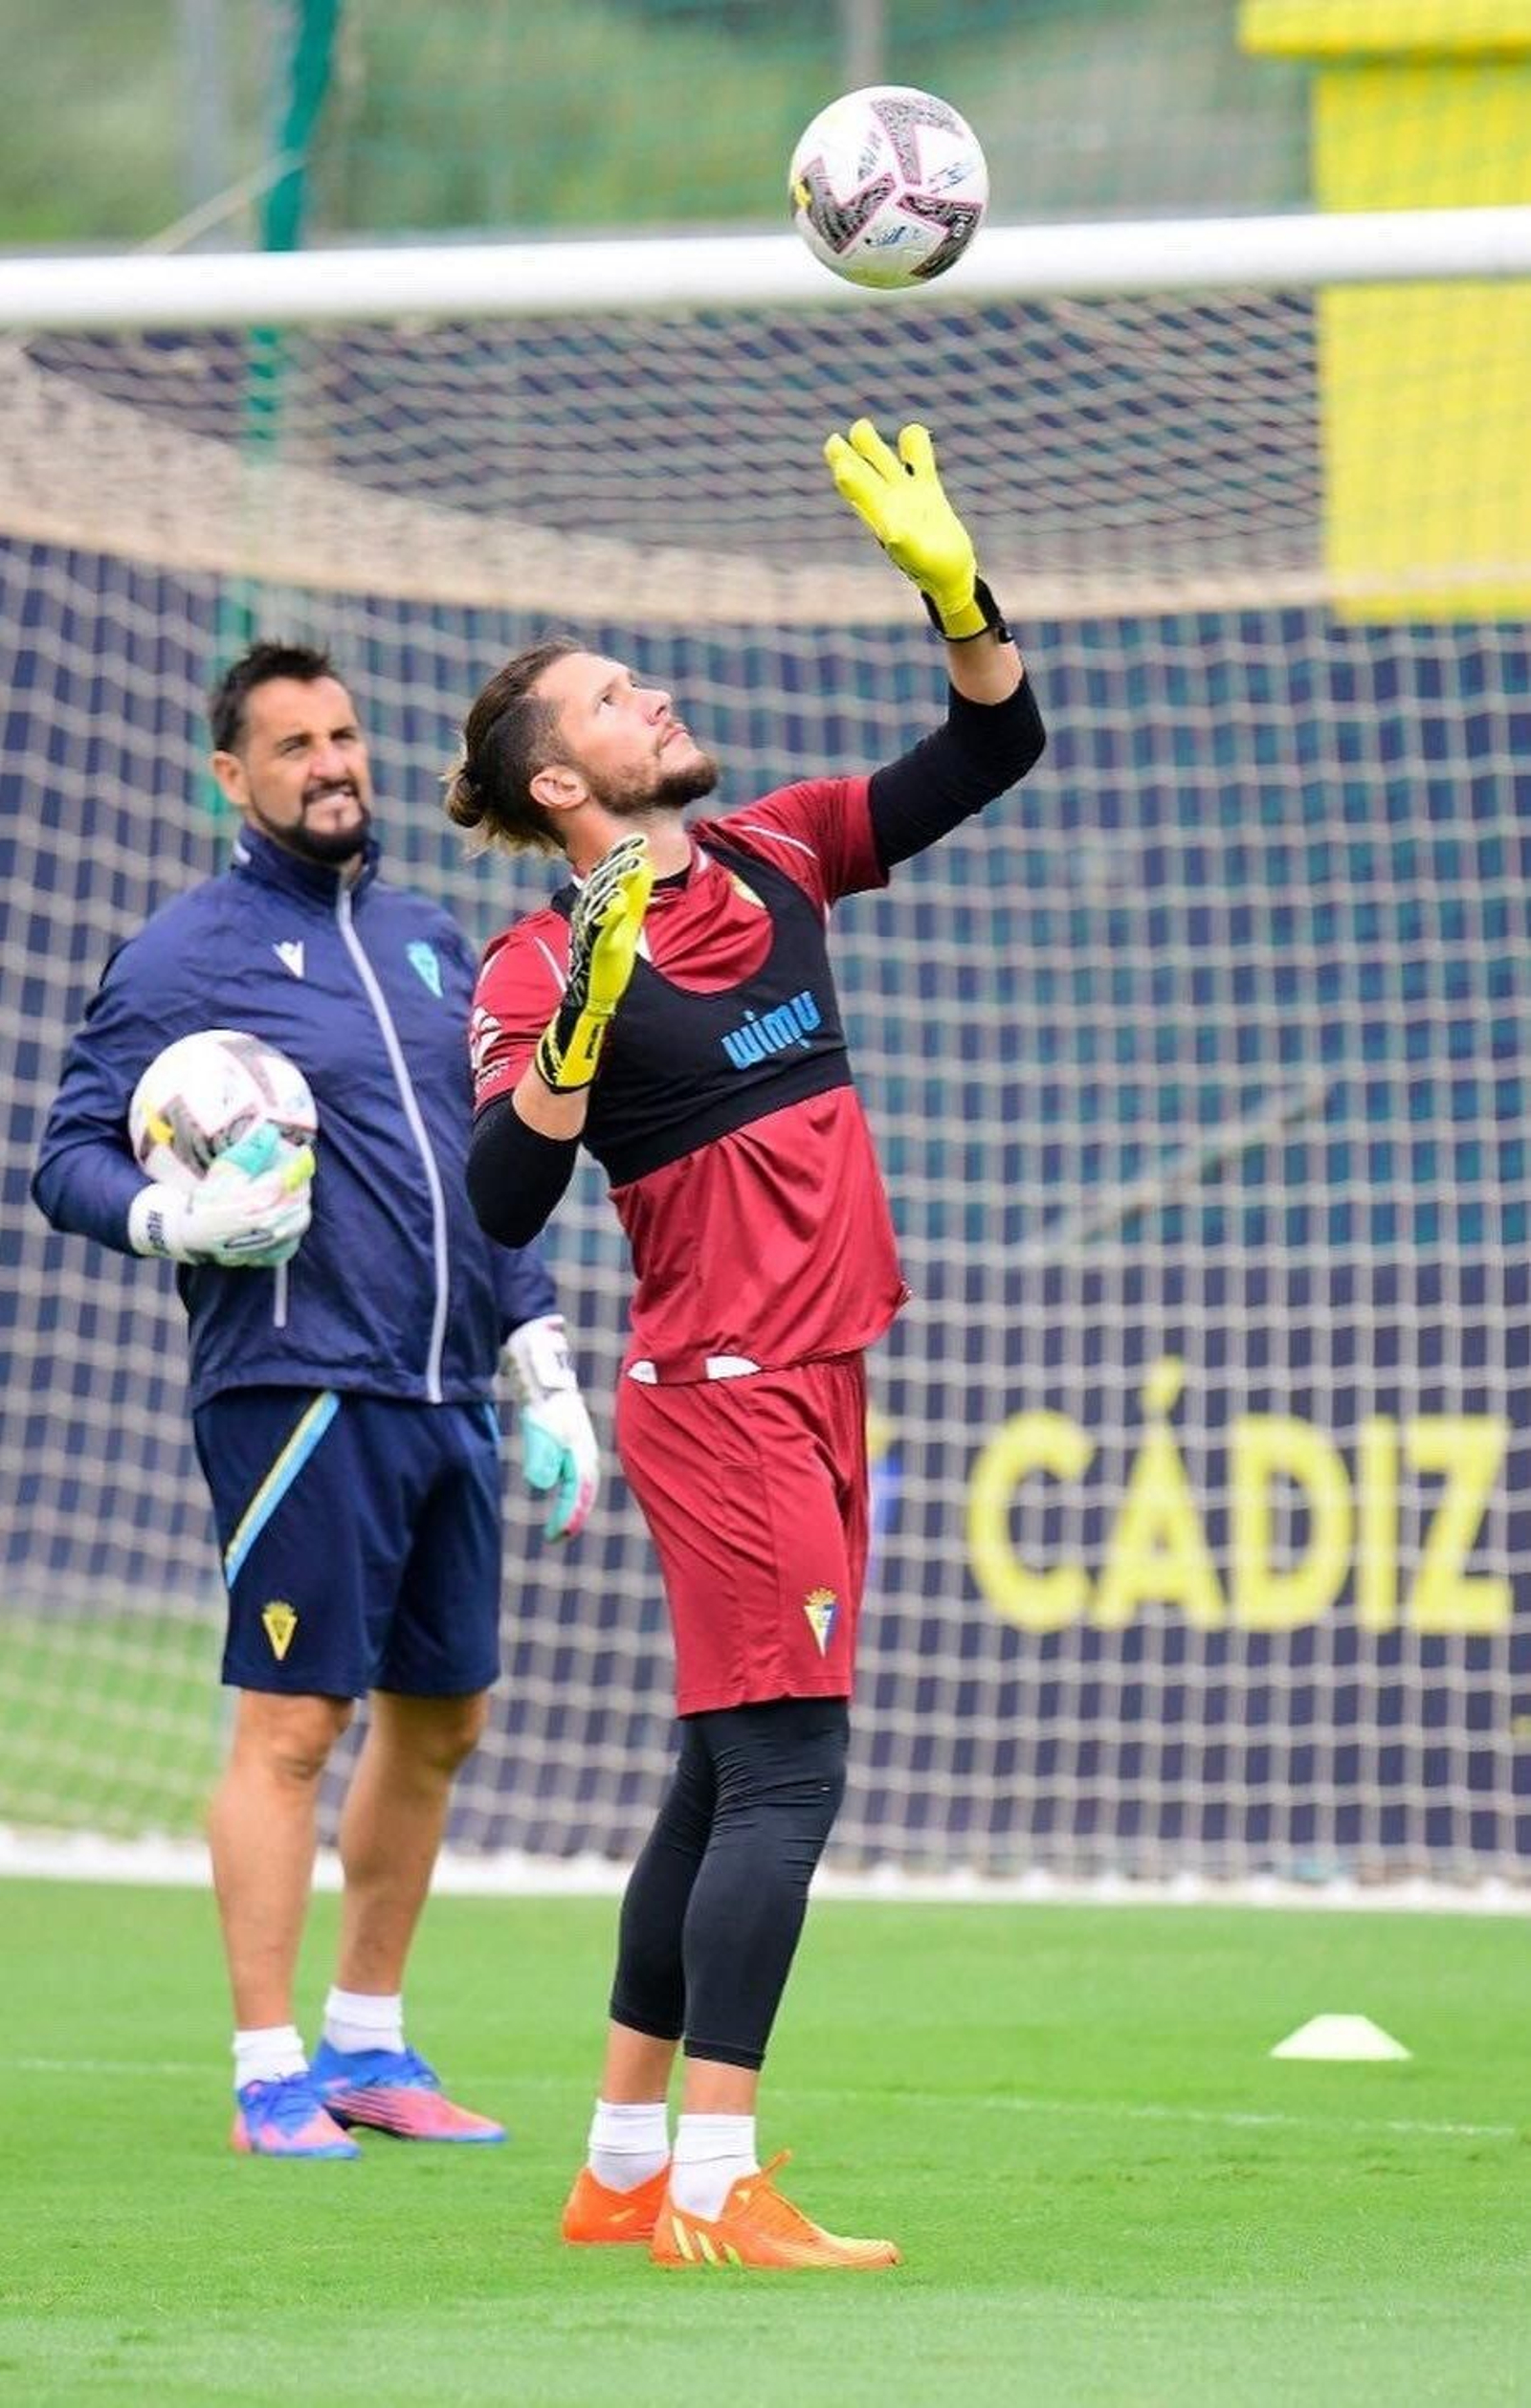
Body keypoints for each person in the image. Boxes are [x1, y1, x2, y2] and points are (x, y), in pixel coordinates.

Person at [449, 420, 1046, 2268]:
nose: (662, 698)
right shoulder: (537, 965)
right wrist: (579, 1031)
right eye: (626, 698)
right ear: (565, 779)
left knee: (721, 1777)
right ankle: (721, 2181)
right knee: (792, 1777)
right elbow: (498, 1204)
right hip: (721, 1404)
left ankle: (626, 2170)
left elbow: (992, 745)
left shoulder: (777, 850)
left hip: (821, 1377)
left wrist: (956, 592)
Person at [33, 641, 601, 2161]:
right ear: (235, 776)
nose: (330, 763)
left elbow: (487, 1173)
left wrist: (538, 1352)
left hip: (442, 1396)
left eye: (342, 736)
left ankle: (367, 2043)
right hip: (293, 1390)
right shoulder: (183, 954)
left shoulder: (432, 941)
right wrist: (175, 1223)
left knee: (446, 1723)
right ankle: (267, 2070)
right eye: (292, 746)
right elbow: (69, 1154)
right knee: (295, 1725)